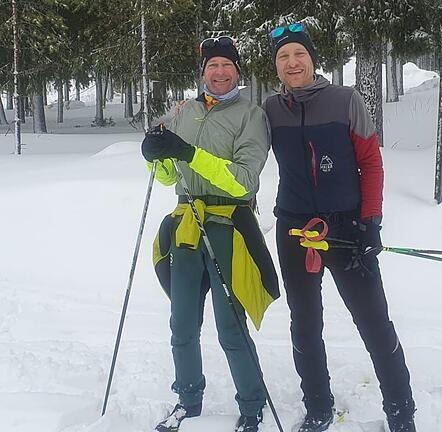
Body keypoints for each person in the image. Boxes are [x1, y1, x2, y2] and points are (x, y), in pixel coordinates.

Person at [262, 24, 416, 432]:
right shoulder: (270, 110)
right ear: (276, 66)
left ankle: (401, 412)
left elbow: (371, 162)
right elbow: (238, 152)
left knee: (374, 322)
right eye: (283, 57)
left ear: (312, 59)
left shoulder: (345, 100)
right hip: (294, 231)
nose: (292, 63)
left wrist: (371, 222)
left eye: (299, 54)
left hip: (346, 229)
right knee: (305, 324)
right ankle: (318, 408)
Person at [141, 36, 279, 432]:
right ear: (202, 72)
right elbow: (171, 176)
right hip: (186, 225)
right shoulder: (184, 111)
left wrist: (188, 153)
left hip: (228, 227)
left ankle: (252, 404)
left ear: (238, 71)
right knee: (181, 324)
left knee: (230, 327)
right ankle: (187, 399)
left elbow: (242, 182)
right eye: (212, 66)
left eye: (227, 65)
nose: (219, 73)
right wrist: (155, 156)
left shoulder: (251, 116)